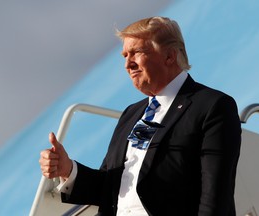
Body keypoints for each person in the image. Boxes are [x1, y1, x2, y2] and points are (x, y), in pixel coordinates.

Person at [39, 16, 241, 215]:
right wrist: (67, 169)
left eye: (136, 53)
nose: (128, 64)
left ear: (169, 56)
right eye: (125, 56)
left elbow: (215, 196)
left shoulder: (212, 106)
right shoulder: (131, 114)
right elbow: (109, 188)